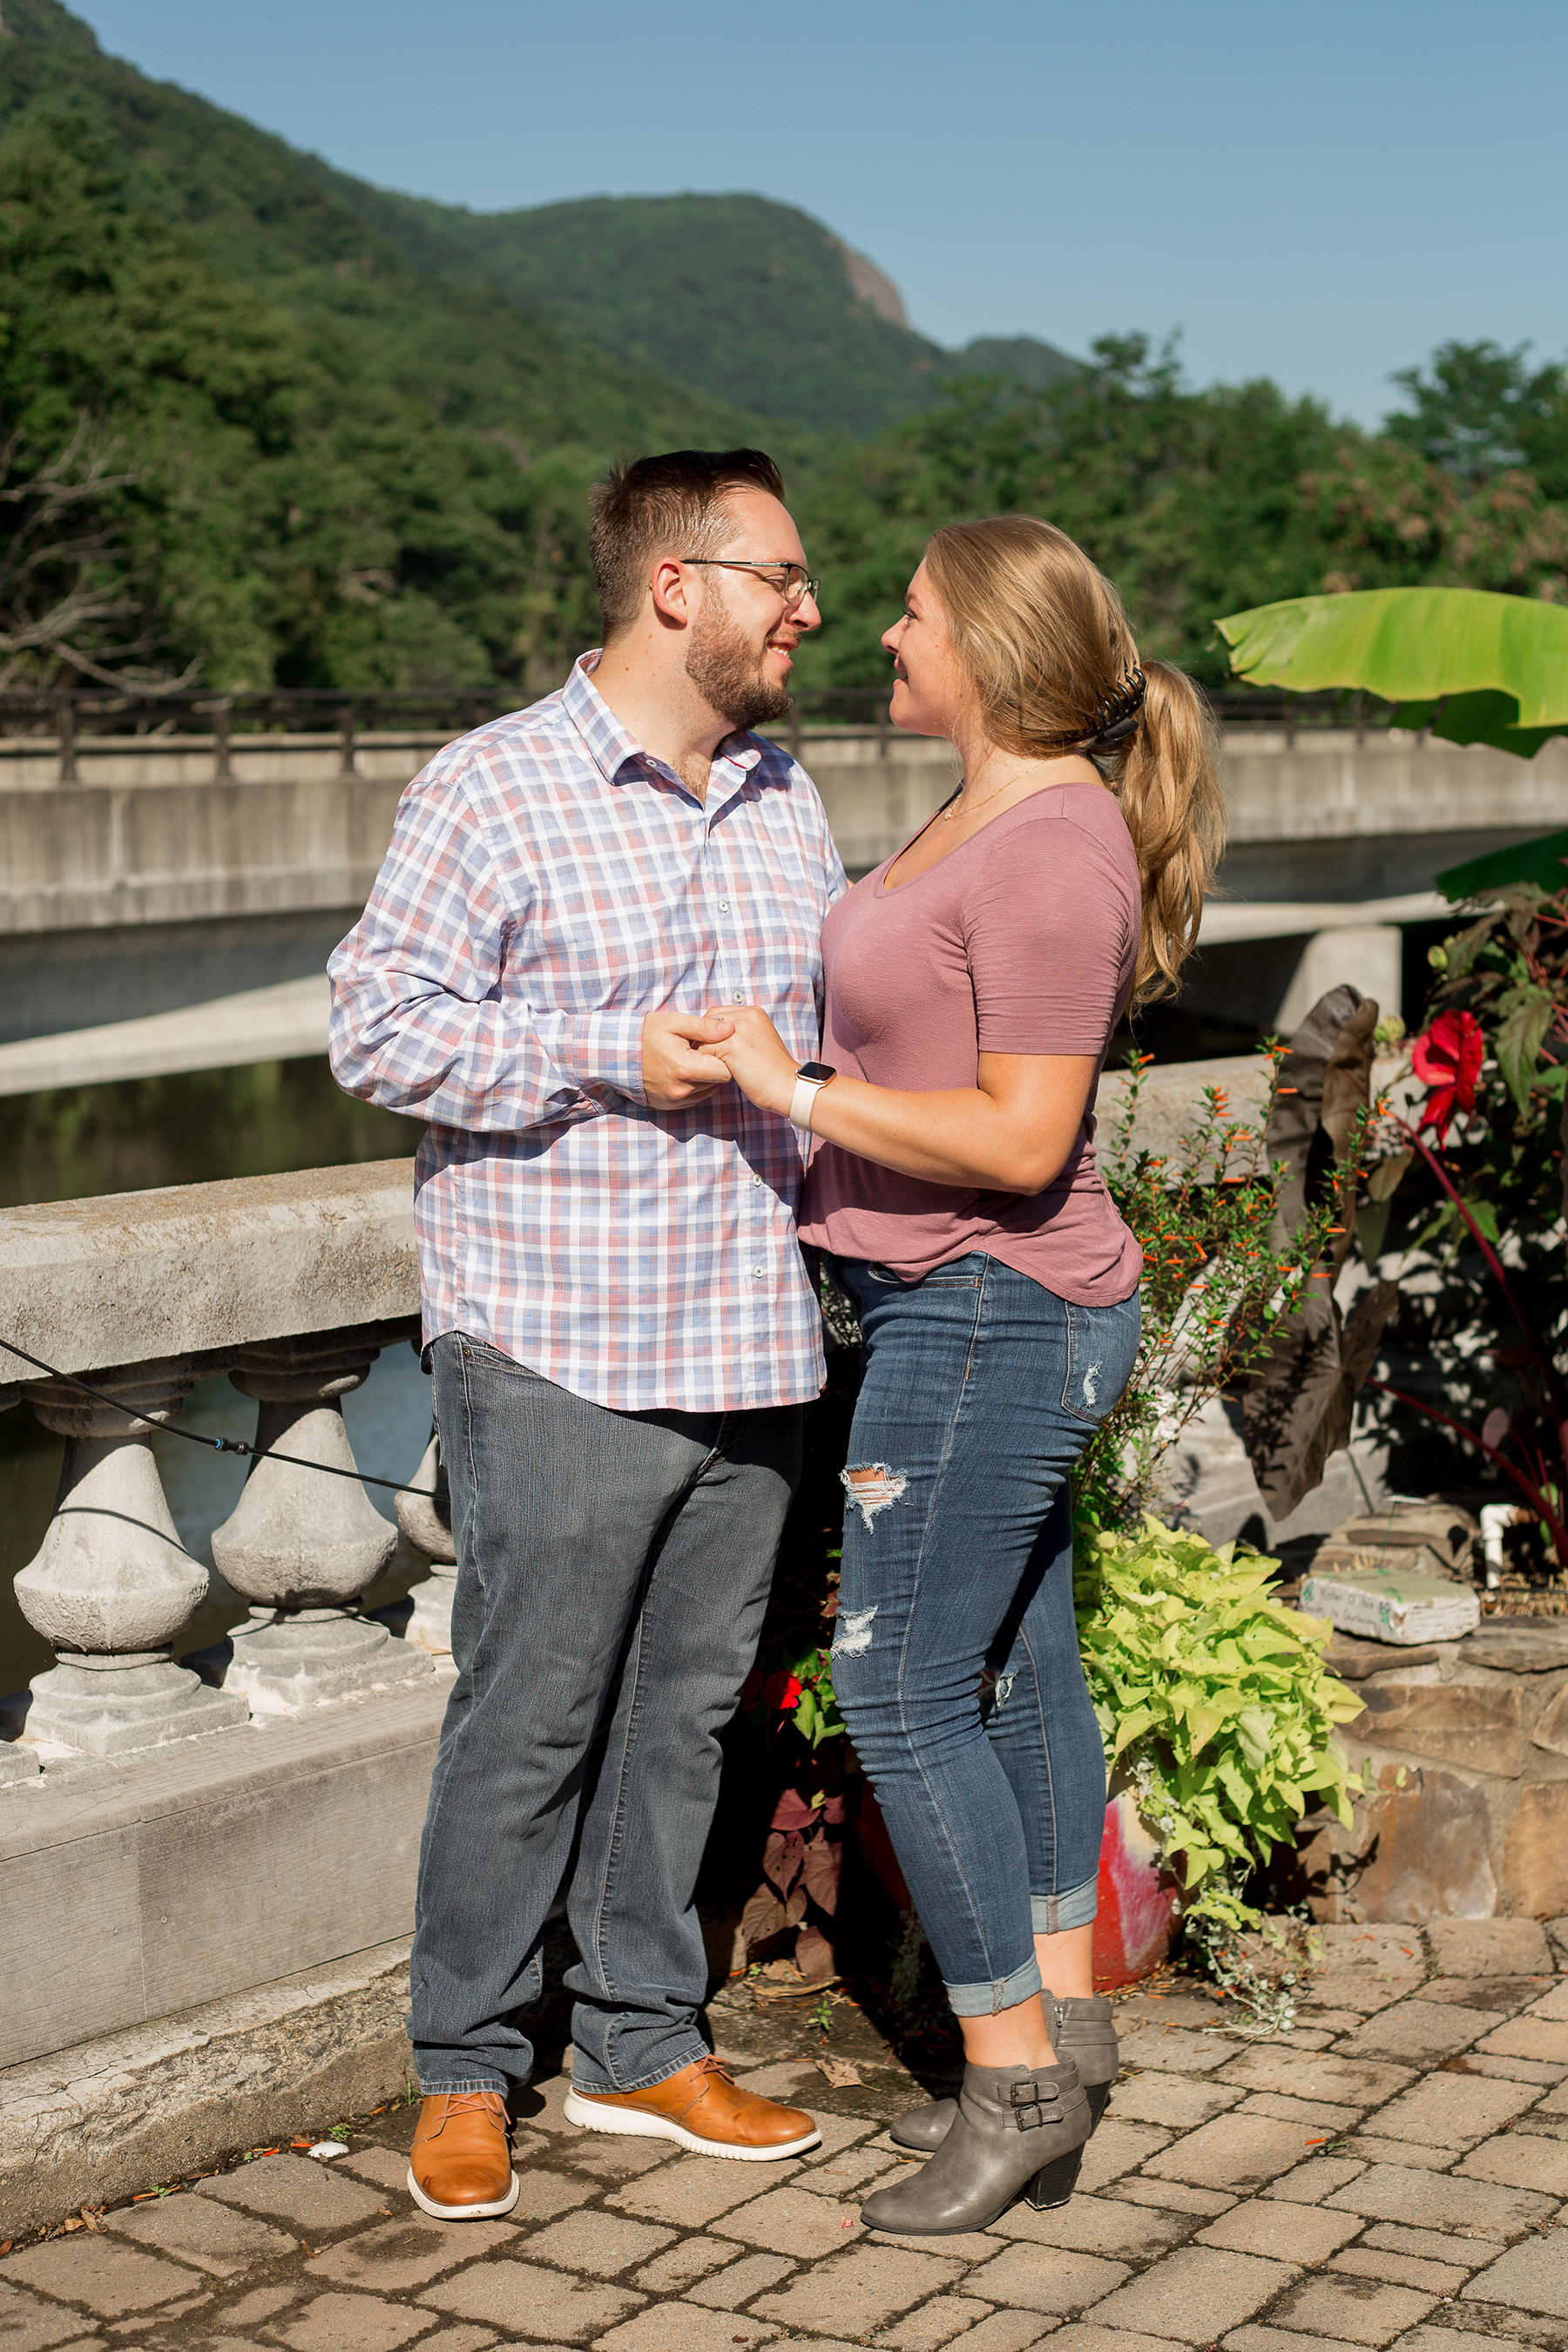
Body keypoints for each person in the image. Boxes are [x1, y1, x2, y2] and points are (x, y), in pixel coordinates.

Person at [328, 449, 848, 2220]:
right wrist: (608, 1052)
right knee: (532, 1715)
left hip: (753, 1333)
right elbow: (378, 1032)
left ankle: (640, 2040)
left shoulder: (789, 797)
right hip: (557, 1334)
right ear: (675, 584)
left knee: (690, 1718)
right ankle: (464, 2067)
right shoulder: (493, 786)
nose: (811, 608)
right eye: (780, 575)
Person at [708, 514, 1225, 2235]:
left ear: (992, 649)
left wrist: (796, 1094)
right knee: (1014, 1672)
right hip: (967, 1304)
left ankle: (1007, 2085)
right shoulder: (995, 810)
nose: (880, 633)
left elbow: (1021, 1138)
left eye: (915, 613)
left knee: (903, 1689)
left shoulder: (1051, 846)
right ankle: (1065, 2041)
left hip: (987, 1306)